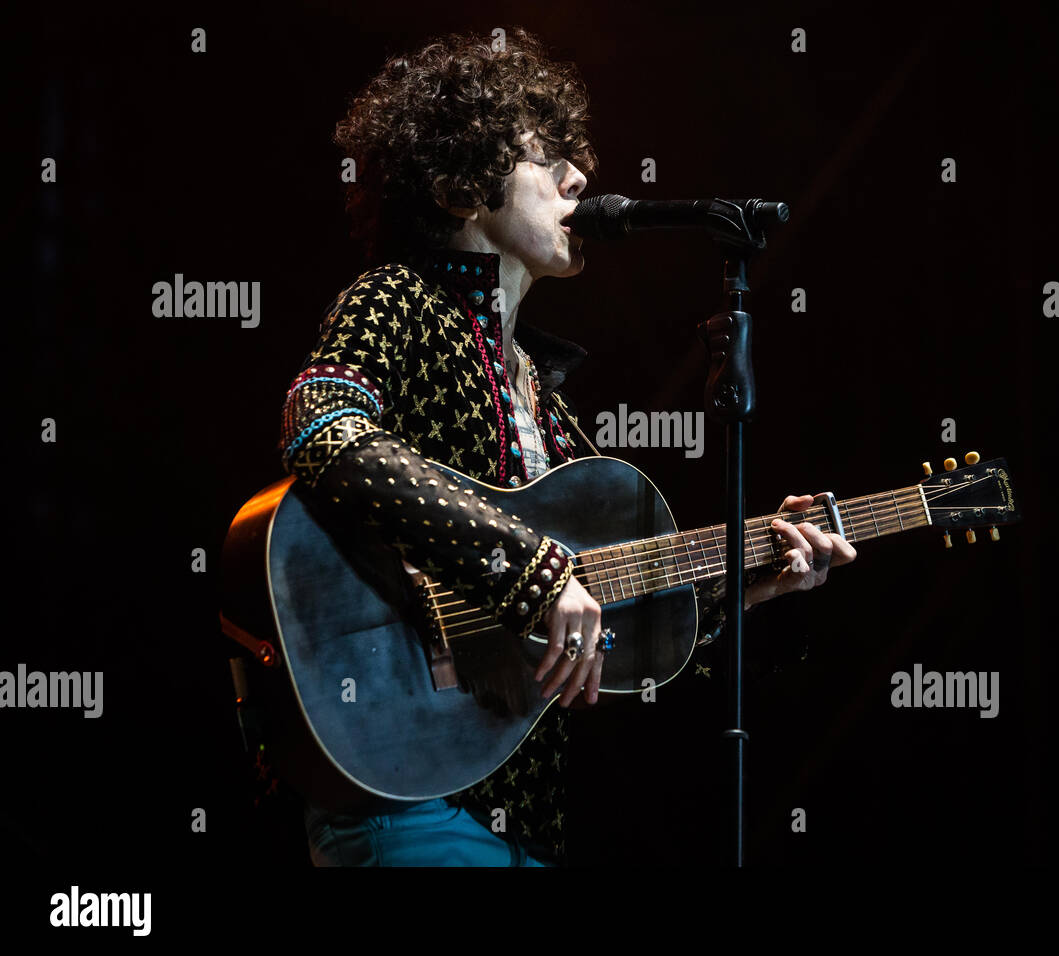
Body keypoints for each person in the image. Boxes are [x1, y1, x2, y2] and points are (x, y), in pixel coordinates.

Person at [277, 28, 856, 866]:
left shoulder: (545, 399)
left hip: (518, 809)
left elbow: (618, 650)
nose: (579, 177)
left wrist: (753, 586)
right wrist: (531, 570)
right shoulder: (395, 299)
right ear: (454, 186)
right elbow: (323, 426)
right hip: (404, 791)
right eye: (544, 158)